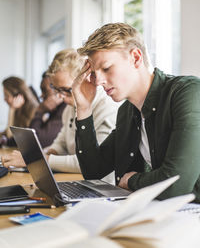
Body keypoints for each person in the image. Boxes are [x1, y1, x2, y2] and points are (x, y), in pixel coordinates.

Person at [72, 22, 200, 202]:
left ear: (136, 58)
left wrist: (132, 180)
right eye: (94, 72)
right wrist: (84, 108)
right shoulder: (127, 112)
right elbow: (94, 172)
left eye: (107, 68)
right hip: (168, 213)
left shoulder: (187, 92)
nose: (98, 81)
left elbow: (176, 186)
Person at [2, 49, 119, 184]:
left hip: (102, 186)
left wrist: (37, 159)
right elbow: (60, 144)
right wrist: (44, 154)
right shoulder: (69, 109)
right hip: (80, 181)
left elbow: (89, 162)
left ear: (87, 78)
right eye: (56, 89)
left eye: (66, 90)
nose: (60, 96)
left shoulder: (107, 108)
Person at [29, 71, 66, 147]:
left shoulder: (64, 110)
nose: (41, 96)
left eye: (44, 90)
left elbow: (36, 141)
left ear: (58, 90)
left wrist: (39, 111)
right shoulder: (54, 112)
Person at [0, 76, 39, 147]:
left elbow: (10, 136)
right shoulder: (18, 111)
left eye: (7, 95)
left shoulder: (34, 111)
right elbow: (7, 133)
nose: (4, 99)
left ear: (18, 96)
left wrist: (11, 109)